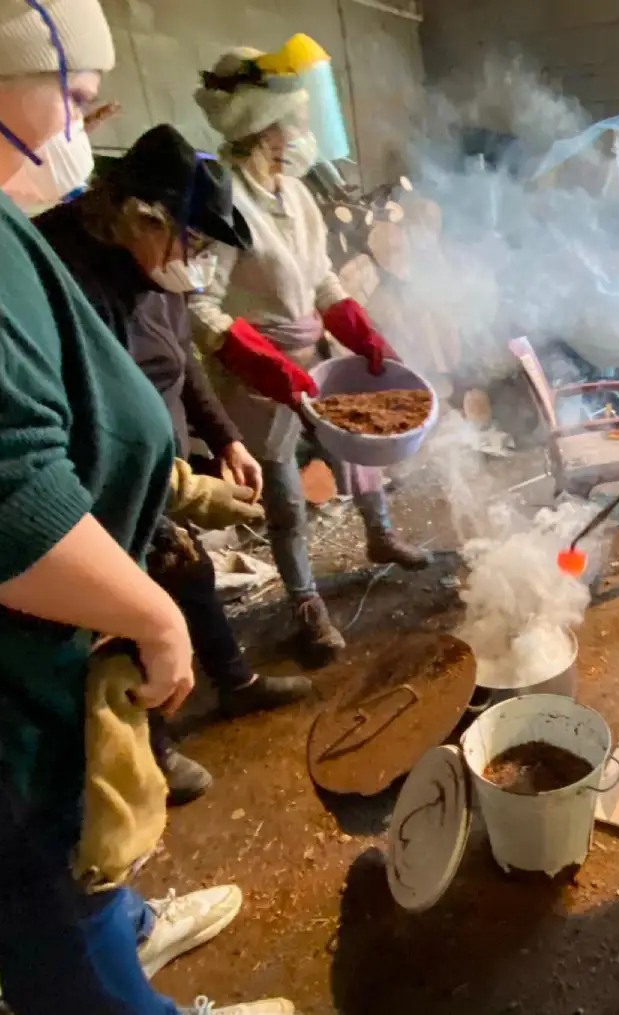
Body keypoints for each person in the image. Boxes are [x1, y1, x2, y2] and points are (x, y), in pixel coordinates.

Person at [0, 3, 292, 1013]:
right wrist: (154, 614)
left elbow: (81, 413)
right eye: (78, 97)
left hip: (36, 639)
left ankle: (129, 926)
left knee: (83, 869)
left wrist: (192, 473)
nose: (84, 127)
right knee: (54, 900)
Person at [32, 123, 315, 804]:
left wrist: (227, 439)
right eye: (192, 242)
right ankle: (153, 747)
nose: (197, 262)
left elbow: (182, 359)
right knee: (129, 608)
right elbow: (86, 425)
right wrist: (179, 493)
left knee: (190, 569)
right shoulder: (64, 275)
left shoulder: (155, 266)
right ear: (142, 217)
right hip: (99, 477)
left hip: (156, 461)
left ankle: (235, 680)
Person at [190, 38, 432, 659]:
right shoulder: (222, 199)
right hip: (252, 369)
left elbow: (321, 277)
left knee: (359, 448)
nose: (302, 135)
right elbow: (199, 305)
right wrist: (255, 359)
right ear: (262, 128)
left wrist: (357, 327)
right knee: (285, 493)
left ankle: (380, 535)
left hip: (308, 355)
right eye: (293, 124)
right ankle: (305, 602)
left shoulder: (295, 194)